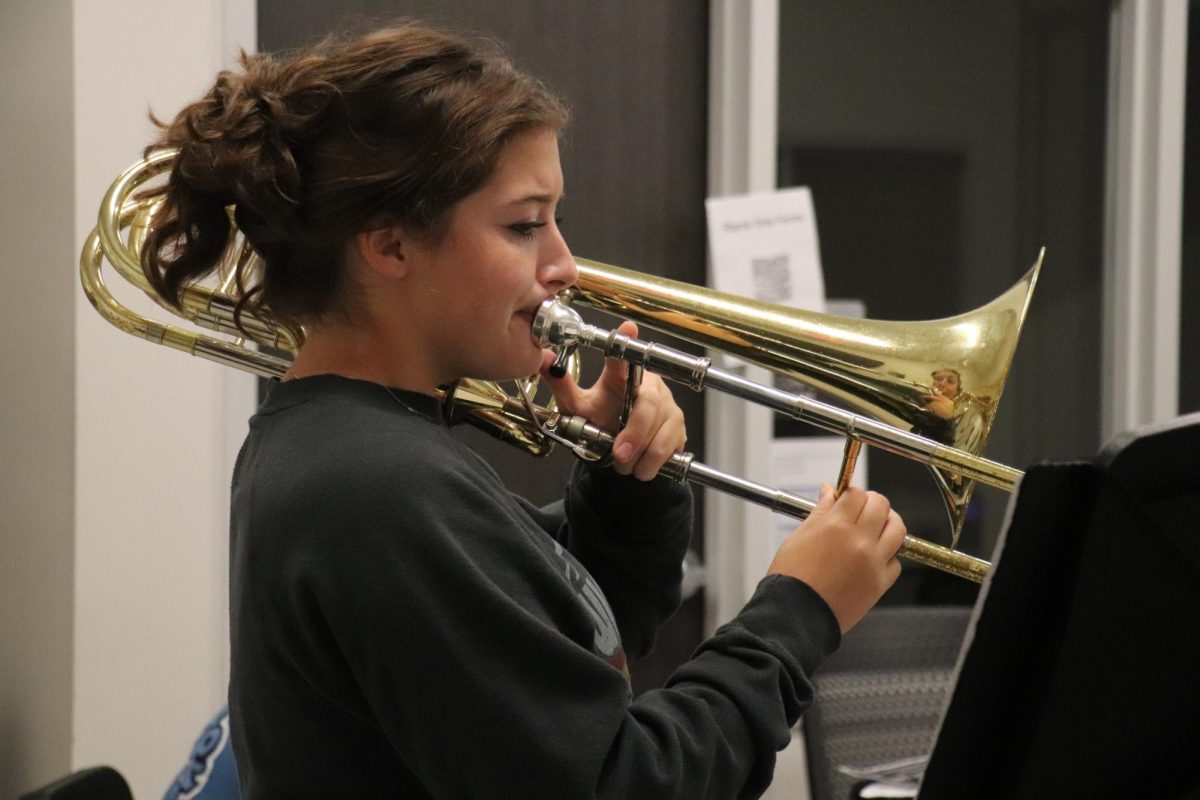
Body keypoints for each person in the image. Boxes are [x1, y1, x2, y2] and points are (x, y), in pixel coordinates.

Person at [142, 23, 906, 799]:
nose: (564, 265)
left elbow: (572, 648)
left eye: (555, 219)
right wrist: (798, 614)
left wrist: (626, 484)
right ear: (390, 246)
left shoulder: (363, 449)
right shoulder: (376, 485)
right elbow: (622, 783)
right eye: (522, 224)